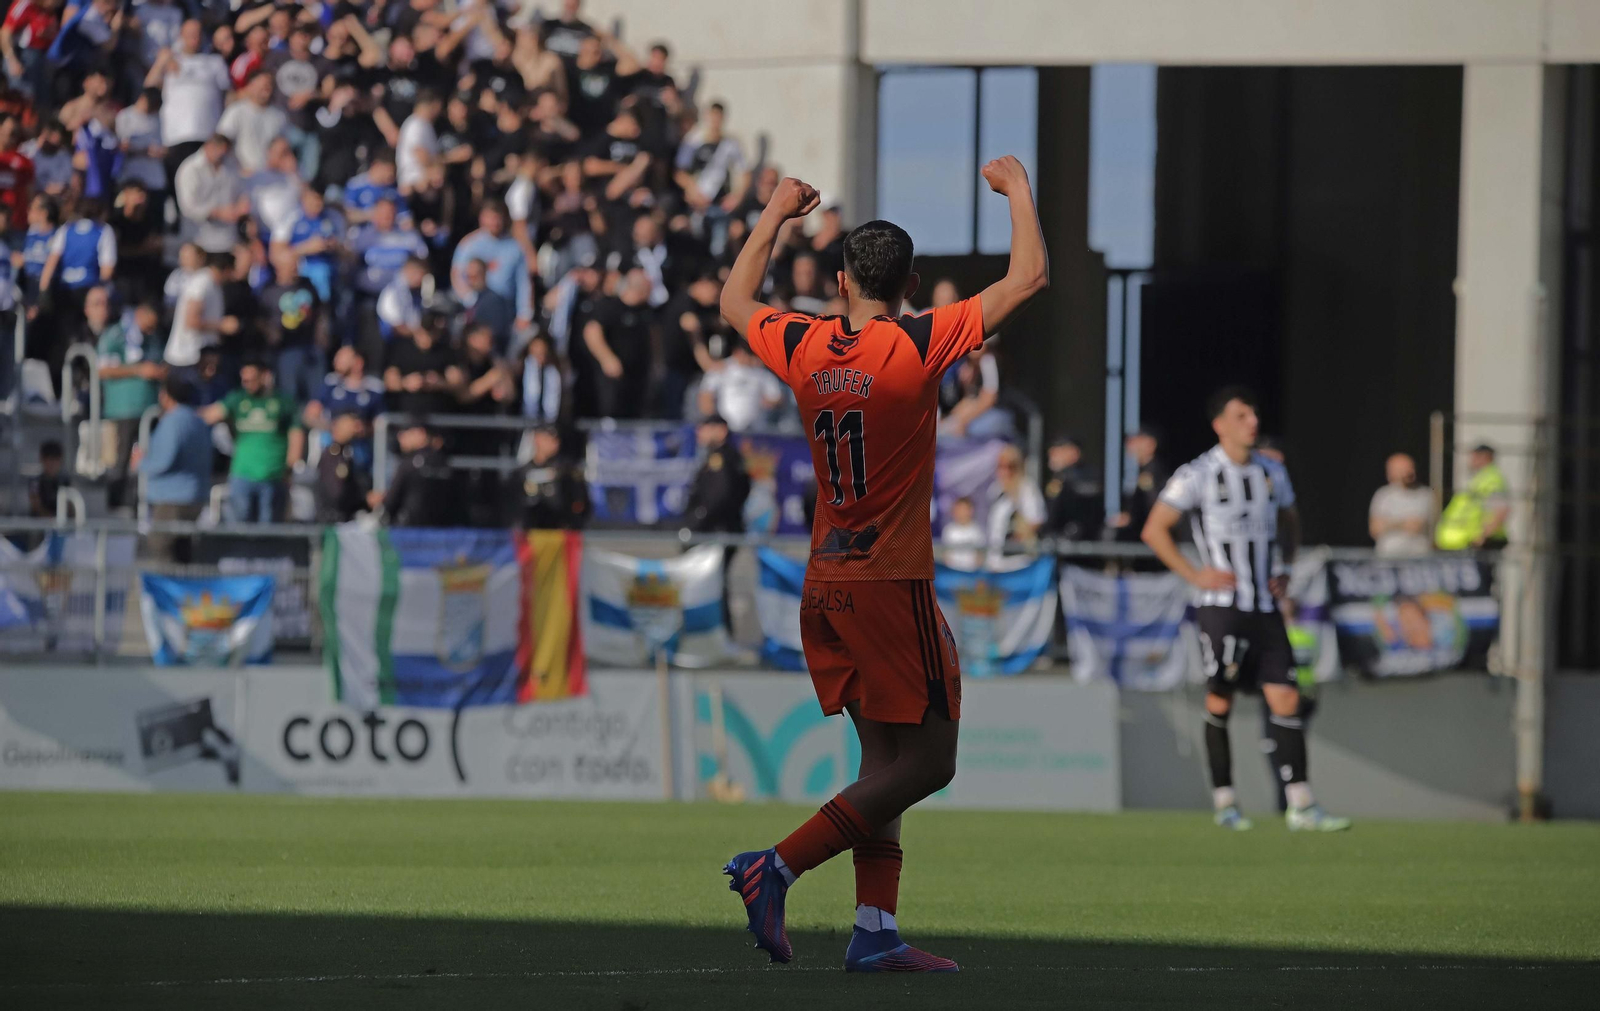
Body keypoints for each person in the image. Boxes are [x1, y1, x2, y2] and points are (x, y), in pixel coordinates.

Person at [715, 156, 1046, 972]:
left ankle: (874, 930)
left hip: (825, 581)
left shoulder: (804, 341)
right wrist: (1018, 192)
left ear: (838, 282)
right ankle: (776, 865)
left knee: (885, 763)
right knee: (931, 761)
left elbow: (732, 301)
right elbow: (1030, 276)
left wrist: (775, 212)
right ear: (913, 282)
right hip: (892, 583)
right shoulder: (917, 342)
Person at [1141, 386, 1350, 833]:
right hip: (1223, 608)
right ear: (1220, 425)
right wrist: (1195, 575)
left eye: (1253, 413)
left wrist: (1287, 566)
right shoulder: (1197, 473)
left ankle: (1301, 804)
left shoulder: (1271, 472)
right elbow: (1154, 529)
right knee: (1221, 698)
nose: (1252, 421)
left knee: (1287, 696)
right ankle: (1225, 802)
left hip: (1265, 605)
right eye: (1241, 415)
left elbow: (1291, 519)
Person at [201, 357, 304, 522]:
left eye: (251, 379)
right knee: (239, 528)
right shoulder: (238, 399)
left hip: (273, 476)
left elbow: (296, 435)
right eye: (244, 380)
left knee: (268, 531)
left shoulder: (283, 402)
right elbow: (211, 414)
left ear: (265, 376)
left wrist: (290, 467)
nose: (247, 384)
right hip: (242, 474)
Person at [93, 289, 163, 511]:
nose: (150, 328)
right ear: (140, 314)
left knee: (146, 460)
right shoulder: (115, 334)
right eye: (148, 323)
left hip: (149, 409)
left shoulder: (153, 337)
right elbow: (103, 370)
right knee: (120, 461)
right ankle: (114, 506)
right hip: (123, 410)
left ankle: (138, 505)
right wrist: (139, 370)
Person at [138, 375, 213, 561]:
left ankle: (164, 591)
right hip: (196, 497)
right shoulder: (198, 421)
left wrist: (140, 462)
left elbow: (163, 460)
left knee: (160, 550)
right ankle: (183, 591)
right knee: (183, 554)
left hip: (171, 500)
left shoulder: (172, 422)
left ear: (166, 395)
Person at [506, 423, 589, 529]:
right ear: (536, 438)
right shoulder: (522, 472)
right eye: (548, 437)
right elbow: (513, 505)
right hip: (531, 531)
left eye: (555, 438)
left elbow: (580, 502)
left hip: (560, 531)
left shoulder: (567, 470)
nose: (554, 442)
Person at [372, 421, 452, 527]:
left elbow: (391, 503)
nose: (400, 437)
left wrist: (381, 501)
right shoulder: (445, 463)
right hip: (443, 531)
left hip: (410, 532)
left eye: (405, 432)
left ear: (421, 433)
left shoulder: (408, 464)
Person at [683, 413, 750, 534]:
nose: (700, 432)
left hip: (716, 528)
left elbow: (720, 493)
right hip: (719, 526)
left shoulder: (722, 458)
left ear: (721, 430)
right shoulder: (722, 456)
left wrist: (701, 517)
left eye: (706, 428)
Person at [696, 339, 783, 432]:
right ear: (737, 352)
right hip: (726, 429)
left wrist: (770, 402)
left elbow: (777, 398)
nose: (750, 357)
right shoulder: (720, 369)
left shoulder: (762, 373)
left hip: (756, 430)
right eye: (747, 353)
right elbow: (705, 397)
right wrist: (713, 423)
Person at [1435, 444, 1510, 550]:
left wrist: (1483, 537)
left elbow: (1501, 510)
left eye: (1474, 457)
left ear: (1484, 457)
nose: (1470, 460)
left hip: (1481, 544)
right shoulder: (1480, 479)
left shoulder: (1492, 480)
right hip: (1465, 543)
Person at [985, 443, 1045, 568]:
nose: (1005, 471)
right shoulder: (995, 489)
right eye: (1000, 466)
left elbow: (1036, 519)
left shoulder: (1027, 488)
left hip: (1018, 559)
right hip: (995, 558)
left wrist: (1018, 537)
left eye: (1010, 466)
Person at [1369, 452, 1435, 557]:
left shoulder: (1425, 495)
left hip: (1417, 558)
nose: (1410, 471)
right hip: (1387, 557)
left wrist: (1388, 524)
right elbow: (1375, 528)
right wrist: (1403, 524)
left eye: (1411, 467)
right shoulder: (1382, 495)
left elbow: (1416, 526)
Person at [314, 413, 372, 523]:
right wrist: (364, 499)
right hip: (333, 521)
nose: (356, 430)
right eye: (351, 426)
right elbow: (336, 494)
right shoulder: (332, 456)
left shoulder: (347, 453)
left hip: (344, 518)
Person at [1042, 434, 1101, 541]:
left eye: (1059, 451)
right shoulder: (1059, 478)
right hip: (1056, 540)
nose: (1052, 454)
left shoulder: (1085, 476)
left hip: (1079, 542)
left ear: (1073, 452)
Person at [940, 496, 985, 570]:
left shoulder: (977, 531)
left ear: (970, 511)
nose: (960, 512)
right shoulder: (948, 530)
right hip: (953, 572)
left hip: (971, 573)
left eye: (963, 509)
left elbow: (980, 556)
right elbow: (945, 556)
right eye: (958, 509)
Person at [27, 438, 65, 518]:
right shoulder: (35, 482)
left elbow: (70, 507)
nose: (52, 465)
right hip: (38, 526)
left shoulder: (65, 482)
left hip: (62, 526)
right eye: (49, 460)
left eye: (55, 460)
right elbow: (36, 506)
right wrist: (51, 519)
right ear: (42, 460)